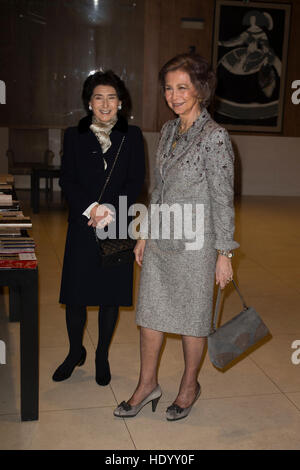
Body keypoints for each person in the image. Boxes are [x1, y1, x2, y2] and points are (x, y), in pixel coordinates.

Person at [113, 53, 239, 421]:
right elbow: (159, 190)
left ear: (200, 89)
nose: (174, 95)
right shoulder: (169, 131)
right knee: (149, 315)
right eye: (168, 88)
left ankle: (188, 386)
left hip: (196, 245)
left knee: (191, 318)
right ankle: (146, 383)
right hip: (162, 237)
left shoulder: (215, 137)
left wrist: (224, 253)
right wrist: (144, 233)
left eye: (182, 87)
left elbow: (222, 197)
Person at [52, 70, 145, 386]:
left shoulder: (132, 136)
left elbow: (136, 181)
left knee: (110, 296)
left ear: (121, 102)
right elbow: (68, 178)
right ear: (89, 102)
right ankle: (74, 351)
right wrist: (92, 208)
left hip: (117, 225)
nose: (105, 104)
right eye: (98, 97)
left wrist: (111, 211)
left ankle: (101, 354)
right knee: (76, 296)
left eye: (111, 97)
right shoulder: (73, 134)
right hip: (82, 223)